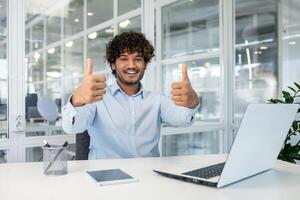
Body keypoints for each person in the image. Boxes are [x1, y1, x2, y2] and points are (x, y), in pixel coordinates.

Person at [62, 32, 199, 159]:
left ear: (145, 65)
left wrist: (192, 102)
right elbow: (72, 127)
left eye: (138, 59)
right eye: (124, 59)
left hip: (149, 177)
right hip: (106, 178)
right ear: (113, 64)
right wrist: (77, 99)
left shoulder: (157, 100)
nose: (131, 65)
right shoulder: (96, 98)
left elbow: (182, 119)